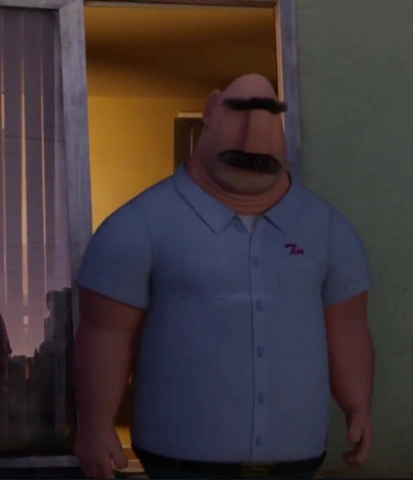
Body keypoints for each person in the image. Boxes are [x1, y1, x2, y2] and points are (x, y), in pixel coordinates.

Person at [73, 74, 374, 479]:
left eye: (268, 119)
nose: (251, 141)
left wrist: (358, 406)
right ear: (210, 113)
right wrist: (95, 424)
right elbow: (106, 333)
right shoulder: (138, 226)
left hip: (298, 458)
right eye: (240, 116)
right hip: (178, 462)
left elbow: (347, 327)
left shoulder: (329, 229)